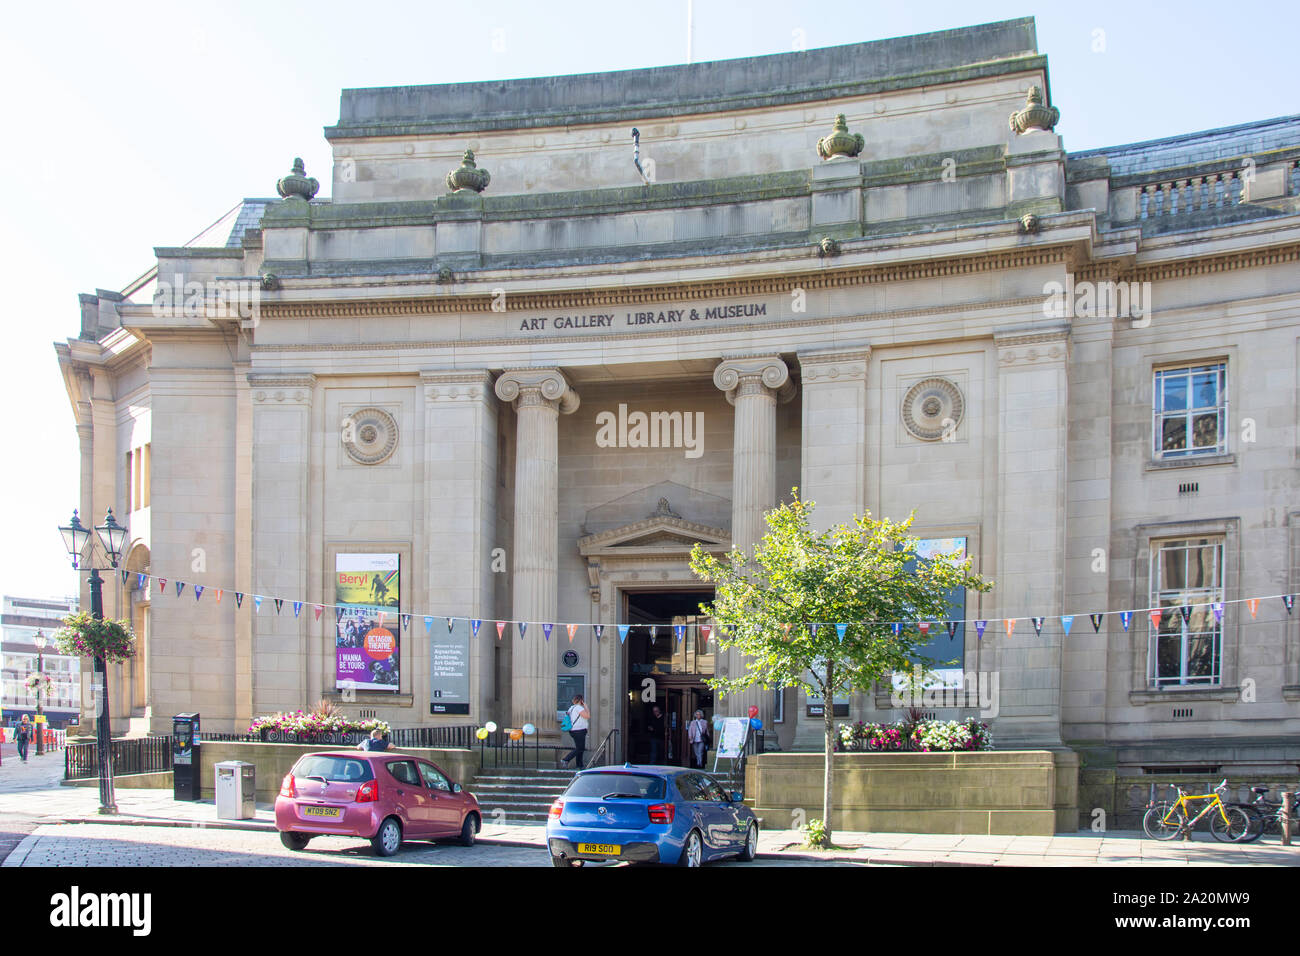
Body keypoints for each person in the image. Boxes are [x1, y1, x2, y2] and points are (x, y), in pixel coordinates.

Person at [560, 695, 589, 769]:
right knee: (580, 748)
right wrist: (586, 707)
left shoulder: (571, 708)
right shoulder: (578, 708)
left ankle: (579, 765)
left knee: (580, 748)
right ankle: (565, 759)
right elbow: (587, 716)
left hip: (573, 730)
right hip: (579, 730)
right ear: (581, 700)